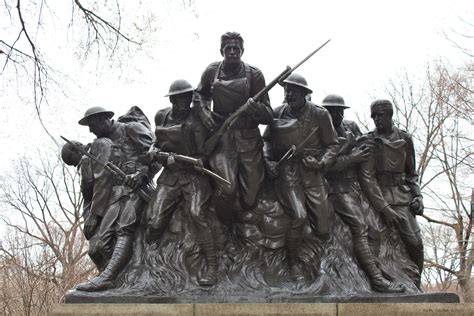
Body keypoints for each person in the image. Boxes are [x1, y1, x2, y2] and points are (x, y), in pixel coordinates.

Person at [322, 94, 404, 293]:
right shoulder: (322, 132)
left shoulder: (351, 127)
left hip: (357, 187)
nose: (336, 115)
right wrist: (352, 157)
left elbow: (363, 147)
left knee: (377, 229)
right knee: (360, 228)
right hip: (337, 189)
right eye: (331, 111)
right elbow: (325, 168)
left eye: (339, 111)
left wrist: (370, 148)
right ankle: (376, 280)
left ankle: (380, 270)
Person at [262, 74, 338, 281]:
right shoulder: (276, 113)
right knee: (299, 215)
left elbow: (332, 145)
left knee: (322, 227)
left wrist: (321, 163)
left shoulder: (320, 115)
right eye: (287, 90)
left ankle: (318, 262)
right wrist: (269, 161)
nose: (289, 94)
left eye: (294, 90)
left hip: (312, 172)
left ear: (305, 93)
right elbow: (266, 141)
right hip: (288, 173)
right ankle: (293, 264)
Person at [193, 31, 272, 226]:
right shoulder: (211, 71)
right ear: (221, 51)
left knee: (251, 199)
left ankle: (239, 220)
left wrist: (257, 109)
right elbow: (198, 96)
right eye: (228, 48)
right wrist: (204, 114)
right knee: (227, 187)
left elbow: (268, 115)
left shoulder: (255, 75)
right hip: (221, 138)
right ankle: (224, 227)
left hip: (248, 139)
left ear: (242, 51)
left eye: (236, 48)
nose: (232, 52)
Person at [145, 79, 218, 286]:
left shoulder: (198, 121)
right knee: (154, 221)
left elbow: (204, 151)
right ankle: (151, 265)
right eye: (180, 98)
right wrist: (154, 150)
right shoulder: (161, 115)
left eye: (188, 97)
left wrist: (195, 159)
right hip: (170, 175)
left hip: (193, 175)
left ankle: (212, 267)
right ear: (173, 99)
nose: (185, 101)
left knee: (197, 215)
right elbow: (156, 140)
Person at [74, 106, 154, 291]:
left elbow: (156, 152)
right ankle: (115, 279)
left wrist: (142, 174)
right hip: (116, 193)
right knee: (101, 242)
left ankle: (107, 277)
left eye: (92, 124)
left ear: (104, 119)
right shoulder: (102, 143)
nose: (90, 130)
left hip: (137, 189)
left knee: (124, 229)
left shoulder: (131, 128)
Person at [358, 99, 424, 288]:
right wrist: (384, 208)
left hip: (402, 197)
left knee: (415, 243)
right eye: (374, 116)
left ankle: (415, 285)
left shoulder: (405, 139)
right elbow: (367, 178)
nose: (376, 119)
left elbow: (412, 174)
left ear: (390, 115)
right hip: (377, 198)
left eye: (380, 115)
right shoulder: (368, 140)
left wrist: (418, 196)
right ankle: (380, 282)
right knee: (374, 243)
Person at [61, 138, 114, 273]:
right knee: (94, 251)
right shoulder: (87, 157)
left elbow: (90, 186)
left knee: (97, 249)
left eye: (74, 162)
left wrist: (93, 215)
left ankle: (112, 276)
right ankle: (109, 276)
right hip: (96, 205)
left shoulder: (88, 157)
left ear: (76, 149)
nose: (76, 166)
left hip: (105, 204)